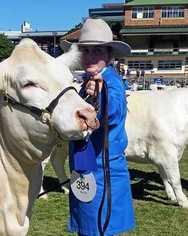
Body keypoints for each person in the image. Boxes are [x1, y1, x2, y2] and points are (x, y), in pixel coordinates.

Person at [62, 18, 135, 236]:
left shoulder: (111, 82)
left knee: (98, 231)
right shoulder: (86, 83)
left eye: (98, 51)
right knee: (88, 230)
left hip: (104, 173)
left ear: (109, 55)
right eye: (85, 50)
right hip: (85, 169)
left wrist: (100, 97)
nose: (90, 56)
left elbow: (113, 111)